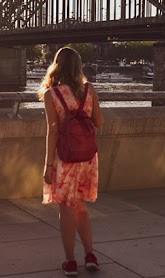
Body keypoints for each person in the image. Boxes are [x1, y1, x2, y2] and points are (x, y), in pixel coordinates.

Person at [39, 47, 104, 276]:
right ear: (78, 66)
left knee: (66, 209)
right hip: (87, 157)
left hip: (65, 159)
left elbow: (53, 132)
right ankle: (90, 254)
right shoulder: (89, 90)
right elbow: (99, 122)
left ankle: (70, 262)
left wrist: (48, 166)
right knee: (81, 207)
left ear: (57, 66)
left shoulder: (52, 94)